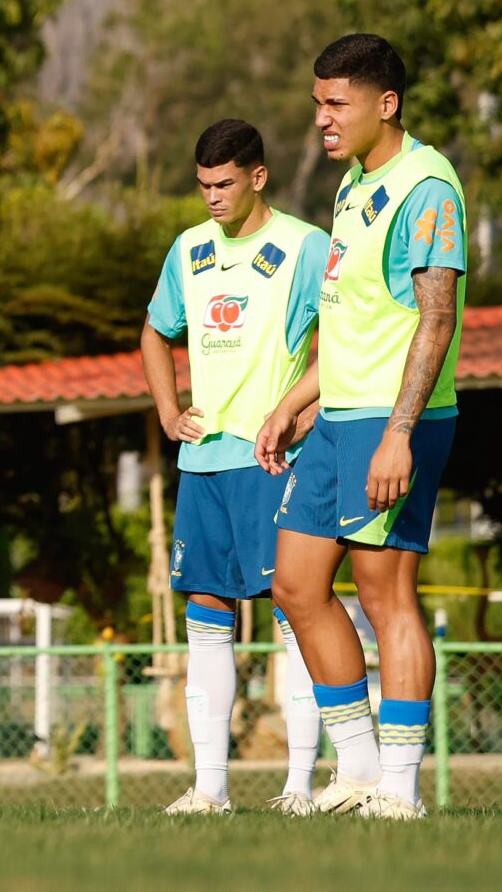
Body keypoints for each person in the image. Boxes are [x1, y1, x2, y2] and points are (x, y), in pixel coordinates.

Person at [258, 33, 469, 820]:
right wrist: (293, 402)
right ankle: (356, 770)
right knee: (296, 587)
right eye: (317, 101)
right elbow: (356, 322)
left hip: (395, 421)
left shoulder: (428, 185)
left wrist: (398, 434)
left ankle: (402, 791)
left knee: (387, 597)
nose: (321, 116)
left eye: (335, 101)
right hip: (338, 417)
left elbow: (436, 320)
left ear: (387, 103)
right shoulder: (352, 185)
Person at [138, 118, 327, 815]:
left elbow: (344, 341)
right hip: (203, 464)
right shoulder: (188, 249)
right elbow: (155, 330)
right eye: (202, 186)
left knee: (296, 616)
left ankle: (301, 786)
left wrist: (303, 413)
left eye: (223, 183)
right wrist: (167, 411)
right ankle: (210, 787)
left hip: (273, 462)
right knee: (205, 618)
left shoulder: (306, 246)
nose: (212, 197)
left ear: (258, 176)